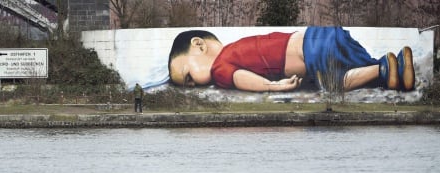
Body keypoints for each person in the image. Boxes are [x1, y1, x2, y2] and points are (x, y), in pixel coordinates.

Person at [168, 27, 415, 92]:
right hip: (320, 35)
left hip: (312, 50)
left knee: (333, 85)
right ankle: (391, 67)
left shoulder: (221, 67)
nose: (191, 84)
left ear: (199, 45)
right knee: (361, 68)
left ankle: (383, 68)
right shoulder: (235, 46)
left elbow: (242, 79)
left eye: (188, 76)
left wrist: (271, 86)